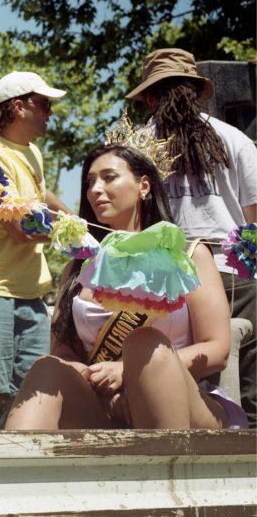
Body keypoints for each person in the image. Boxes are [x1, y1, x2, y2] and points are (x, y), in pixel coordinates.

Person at [5, 142, 247, 430]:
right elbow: (64, 352)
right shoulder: (81, 263)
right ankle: (13, 470)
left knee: (146, 345)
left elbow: (216, 349)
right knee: (46, 368)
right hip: (102, 403)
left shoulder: (189, 255)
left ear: (143, 186)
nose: (95, 189)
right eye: (90, 182)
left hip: (182, 400)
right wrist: (98, 379)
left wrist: (127, 372)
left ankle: (166, 470)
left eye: (109, 177)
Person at [127, 48, 257, 426]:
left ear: (150, 97)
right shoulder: (235, 139)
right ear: (196, 91)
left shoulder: (135, 147)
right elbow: (254, 218)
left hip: (167, 279)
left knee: (173, 377)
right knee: (248, 389)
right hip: (236, 275)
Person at [0, 71, 71, 429]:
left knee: (31, 398)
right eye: (44, 104)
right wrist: (75, 233)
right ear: (19, 107)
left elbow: (40, 196)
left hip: (31, 295)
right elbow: (20, 228)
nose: (50, 112)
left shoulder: (32, 152)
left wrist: (76, 217)